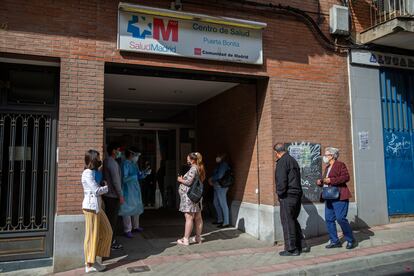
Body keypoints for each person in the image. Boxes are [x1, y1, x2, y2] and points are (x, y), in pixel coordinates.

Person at [317, 147, 356, 250]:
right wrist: (321, 182)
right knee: (329, 219)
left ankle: (350, 239)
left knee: (340, 218)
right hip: (329, 197)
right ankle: (335, 241)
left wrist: (331, 180)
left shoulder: (340, 165)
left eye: (326, 155)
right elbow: (327, 181)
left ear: (332, 156)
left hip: (339, 196)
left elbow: (346, 177)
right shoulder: (327, 167)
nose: (324, 157)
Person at [274, 143, 309, 256]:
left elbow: (281, 181)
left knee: (287, 222)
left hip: (287, 196)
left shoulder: (282, 162)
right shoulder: (293, 160)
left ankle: (291, 249)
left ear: (277, 153)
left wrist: (280, 194)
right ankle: (301, 245)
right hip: (296, 195)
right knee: (292, 220)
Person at [81, 150, 112, 273]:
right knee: (91, 236)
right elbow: (96, 190)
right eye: (98, 158)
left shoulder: (94, 173)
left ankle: (94, 258)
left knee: (107, 231)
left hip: (97, 207)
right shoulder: (87, 173)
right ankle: (89, 264)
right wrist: (107, 187)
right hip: (90, 207)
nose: (100, 160)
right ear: (93, 159)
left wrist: (103, 186)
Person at [119, 147, 149, 238]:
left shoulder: (134, 164)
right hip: (127, 190)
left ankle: (136, 226)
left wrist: (144, 173)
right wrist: (136, 176)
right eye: (136, 155)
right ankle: (127, 229)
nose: (137, 157)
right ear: (131, 154)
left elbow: (138, 176)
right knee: (127, 210)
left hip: (135, 189)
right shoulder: (125, 164)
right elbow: (124, 179)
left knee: (136, 207)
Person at [176, 152, 205, 246]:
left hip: (190, 196)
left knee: (189, 217)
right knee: (198, 217)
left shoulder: (193, 168)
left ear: (192, 160)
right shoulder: (200, 167)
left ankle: (186, 239)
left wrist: (180, 180)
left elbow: (188, 182)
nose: (187, 160)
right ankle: (198, 237)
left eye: (188, 158)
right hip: (197, 196)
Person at [102, 143, 124, 250]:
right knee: (112, 221)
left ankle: (109, 241)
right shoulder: (112, 163)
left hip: (107, 195)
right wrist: (120, 195)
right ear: (113, 151)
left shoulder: (107, 161)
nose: (119, 152)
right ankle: (111, 242)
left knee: (110, 220)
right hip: (112, 196)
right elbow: (116, 181)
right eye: (118, 150)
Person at [208, 153, 231, 228]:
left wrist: (212, 178)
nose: (217, 158)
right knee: (216, 203)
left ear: (222, 157)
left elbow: (220, 175)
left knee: (223, 203)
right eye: (217, 156)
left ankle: (226, 222)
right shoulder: (219, 165)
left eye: (218, 156)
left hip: (221, 186)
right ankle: (220, 219)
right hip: (216, 186)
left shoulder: (223, 164)